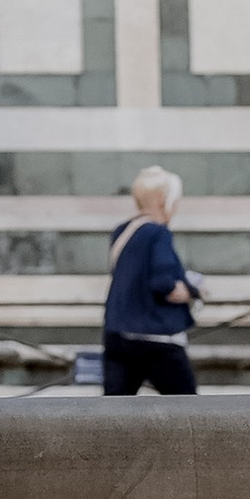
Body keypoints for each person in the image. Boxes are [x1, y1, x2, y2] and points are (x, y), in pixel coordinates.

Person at [101, 168, 202, 393]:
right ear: (163, 200)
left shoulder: (122, 231)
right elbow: (163, 283)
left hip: (118, 335)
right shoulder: (159, 233)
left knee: (115, 409)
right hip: (158, 339)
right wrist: (190, 291)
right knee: (188, 407)